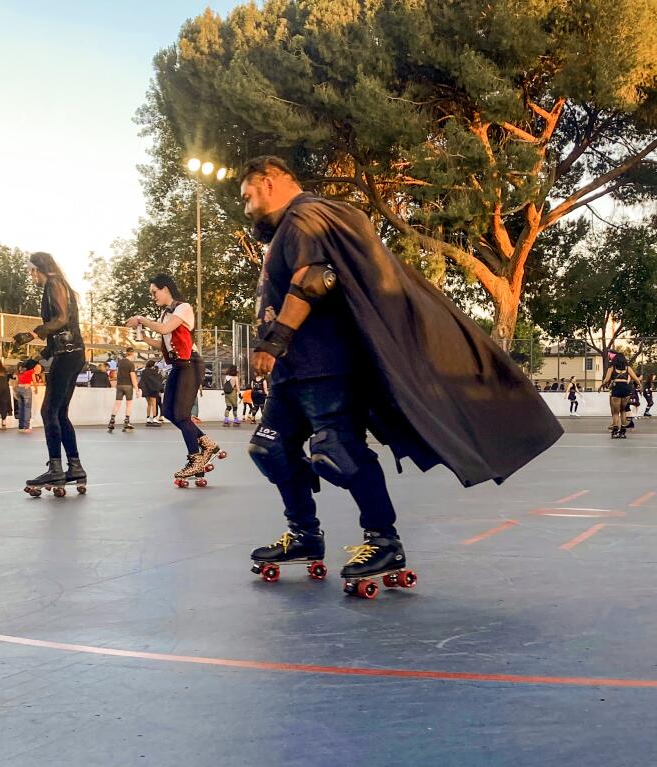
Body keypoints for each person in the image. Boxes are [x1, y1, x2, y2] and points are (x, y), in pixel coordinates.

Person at [237, 155, 560, 589]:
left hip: (325, 367)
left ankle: (383, 539)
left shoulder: (305, 218)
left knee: (337, 451)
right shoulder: (289, 229)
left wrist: (274, 340)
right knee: (269, 449)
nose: (246, 207)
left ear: (270, 181)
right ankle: (304, 536)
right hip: (291, 374)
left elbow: (315, 278)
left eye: (247, 196)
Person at [126, 275, 221, 480]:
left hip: (191, 364)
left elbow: (165, 329)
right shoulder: (164, 315)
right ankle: (207, 444)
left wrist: (142, 319)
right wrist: (143, 336)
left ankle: (195, 459)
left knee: (181, 415)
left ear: (166, 289)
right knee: (168, 411)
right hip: (179, 366)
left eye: (154, 292)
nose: (153, 296)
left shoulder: (183, 308)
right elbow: (164, 344)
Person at [12, 252, 87, 491]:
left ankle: (55, 469)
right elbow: (59, 336)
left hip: (67, 356)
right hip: (72, 353)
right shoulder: (60, 284)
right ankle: (74, 466)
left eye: (31, 270)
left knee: (49, 411)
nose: (30, 275)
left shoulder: (53, 283)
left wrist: (34, 333)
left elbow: (62, 320)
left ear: (38, 269)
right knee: (60, 413)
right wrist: (34, 359)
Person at [599, 353, 640, 439]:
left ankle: (615, 430)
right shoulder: (627, 368)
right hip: (625, 388)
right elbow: (635, 378)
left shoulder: (611, 368)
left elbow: (606, 379)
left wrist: (601, 386)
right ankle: (623, 431)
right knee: (623, 410)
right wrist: (640, 385)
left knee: (615, 412)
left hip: (616, 388)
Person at [108, 351, 138, 432]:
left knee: (117, 403)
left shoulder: (120, 363)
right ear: (131, 354)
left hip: (120, 385)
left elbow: (116, 373)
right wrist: (137, 389)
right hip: (128, 386)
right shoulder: (131, 364)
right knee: (129, 404)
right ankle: (126, 422)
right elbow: (133, 376)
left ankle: (112, 421)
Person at [139, 359, 164, 426]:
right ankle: (154, 418)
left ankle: (148, 418)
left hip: (146, 390)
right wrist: (160, 389)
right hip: (153, 390)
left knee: (149, 404)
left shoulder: (143, 372)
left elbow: (142, 381)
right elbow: (157, 381)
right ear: (153, 365)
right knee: (154, 404)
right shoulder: (154, 372)